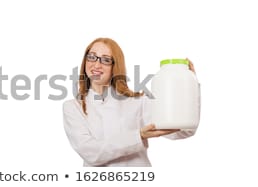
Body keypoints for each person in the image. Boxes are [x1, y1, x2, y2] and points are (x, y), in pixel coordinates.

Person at [63, 38, 199, 167]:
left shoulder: (138, 101)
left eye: (105, 60)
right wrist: (138, 136)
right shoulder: (72, 107)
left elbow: (183, 131)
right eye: (92, 57)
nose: (97, 64)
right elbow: (91, 153)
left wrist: (190, 88)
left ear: (116, 66)